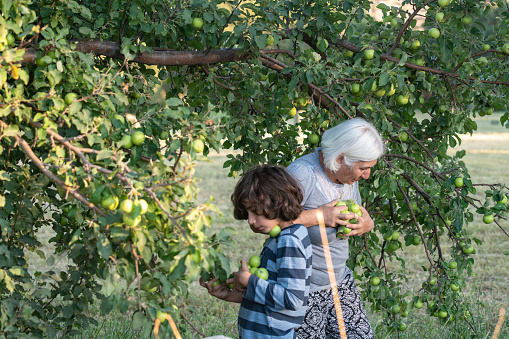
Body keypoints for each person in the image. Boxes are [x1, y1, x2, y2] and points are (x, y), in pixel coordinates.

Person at [286, 117, 385, 339]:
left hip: (339, 281)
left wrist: (366, 223)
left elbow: (357, 211)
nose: (367, 175)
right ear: (340, 158)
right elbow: (270, 222)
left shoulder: (347, 175)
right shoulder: (302, 174)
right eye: (363, 168)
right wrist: (319, 216)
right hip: (303, 289)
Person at [200, 165, 313, 339]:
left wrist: (249, 280)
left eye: (254, 210)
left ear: (278, 200)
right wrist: (229, 294)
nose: (251, 220)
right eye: (247, 213)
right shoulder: (280, 237)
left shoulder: (289, 240)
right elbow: (268, 296)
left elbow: (292, 299)